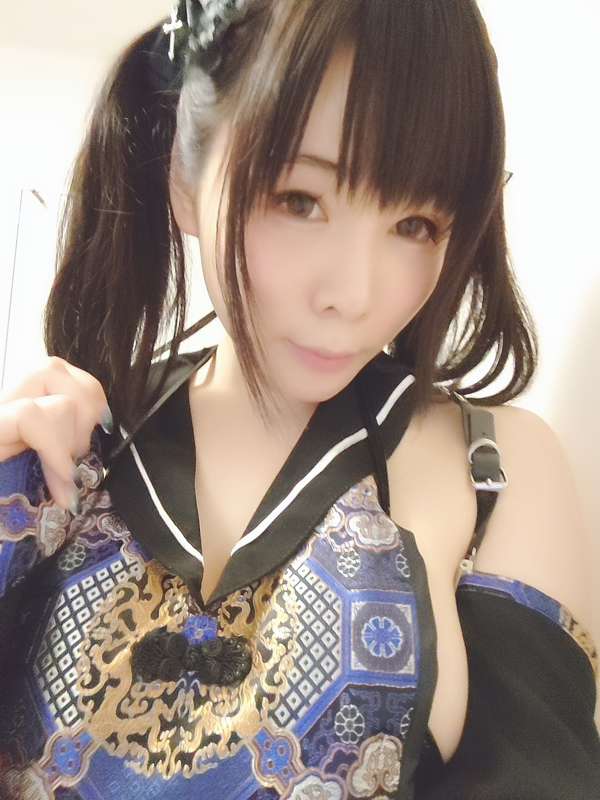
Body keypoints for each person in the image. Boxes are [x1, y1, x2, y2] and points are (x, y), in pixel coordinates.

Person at [0, 0, 598, 797]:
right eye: (299, 200)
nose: (355, 295)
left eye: (416, 223)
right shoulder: (72, 442)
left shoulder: (494, 470)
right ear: (186, 177)